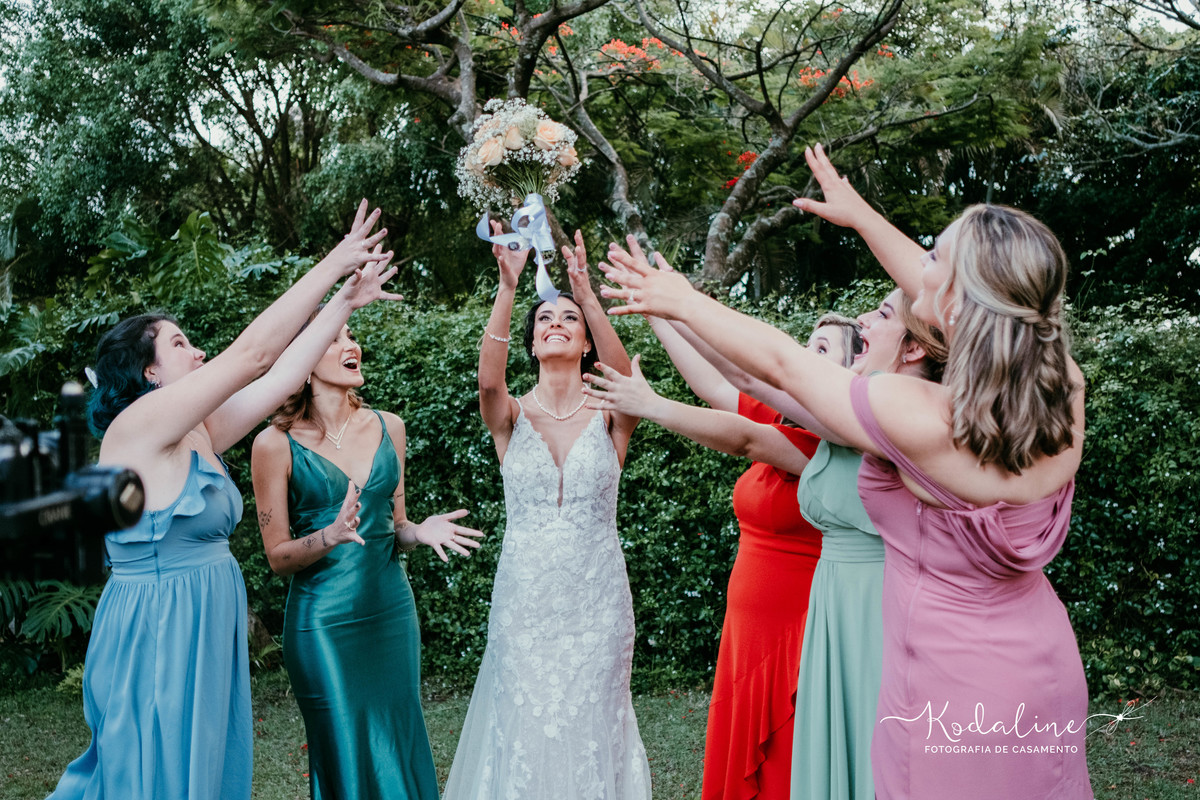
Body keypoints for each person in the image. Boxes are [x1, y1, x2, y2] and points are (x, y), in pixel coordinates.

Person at [599, 143, 1092, 799]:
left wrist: (684, 301)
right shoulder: (1060, 387)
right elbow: (975, 297)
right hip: (1038, 662)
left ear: (951, 299)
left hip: (954, 683)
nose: (920, 267)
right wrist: (861, 217)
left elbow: (781, 365)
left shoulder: (919, 415)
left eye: (934, 259)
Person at [49, 201, 398, 800]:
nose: (198, 352)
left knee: (204, 772)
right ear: (149, 372)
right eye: (179, 343)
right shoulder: (135, 429)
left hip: (205, 620)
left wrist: (344, 301)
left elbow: (280, 378)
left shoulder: (198, 430)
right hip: (159, 625)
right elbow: (252, 356)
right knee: (154, 776)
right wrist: (335, 263)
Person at [581, 308, 861, 800]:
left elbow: (745, 440)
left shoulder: (832, 445)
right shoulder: (783, 417)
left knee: (782, 764)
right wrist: (659, 314)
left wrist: (652, 404)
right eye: (806, 343)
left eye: (822, 349)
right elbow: (713, 384)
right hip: (749, 631)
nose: (804, 356)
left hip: (794, 632)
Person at [442, 226, 652, 799]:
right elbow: (488, 382)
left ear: (585, 343)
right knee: (526, 721)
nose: (556, 323)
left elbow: (627, 381)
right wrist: (508, 288)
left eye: (569, 319)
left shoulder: (611, 414)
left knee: (593, 720)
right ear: (532, 344)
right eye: (545, 319)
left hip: (598, 600)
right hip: (525, 601)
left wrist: (587, 295)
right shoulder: (509, 416)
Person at [251, 314, 483, 800]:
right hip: (323, 623)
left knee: (398, 740)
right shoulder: (273, 444)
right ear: (303, 364)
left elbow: (395, 526)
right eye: (333, 339)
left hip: (390, 611)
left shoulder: (389, 426)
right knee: (345, 748)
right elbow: (277, 557)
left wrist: (419, 531)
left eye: (351, 336)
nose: (350, 345)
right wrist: (329, 536)